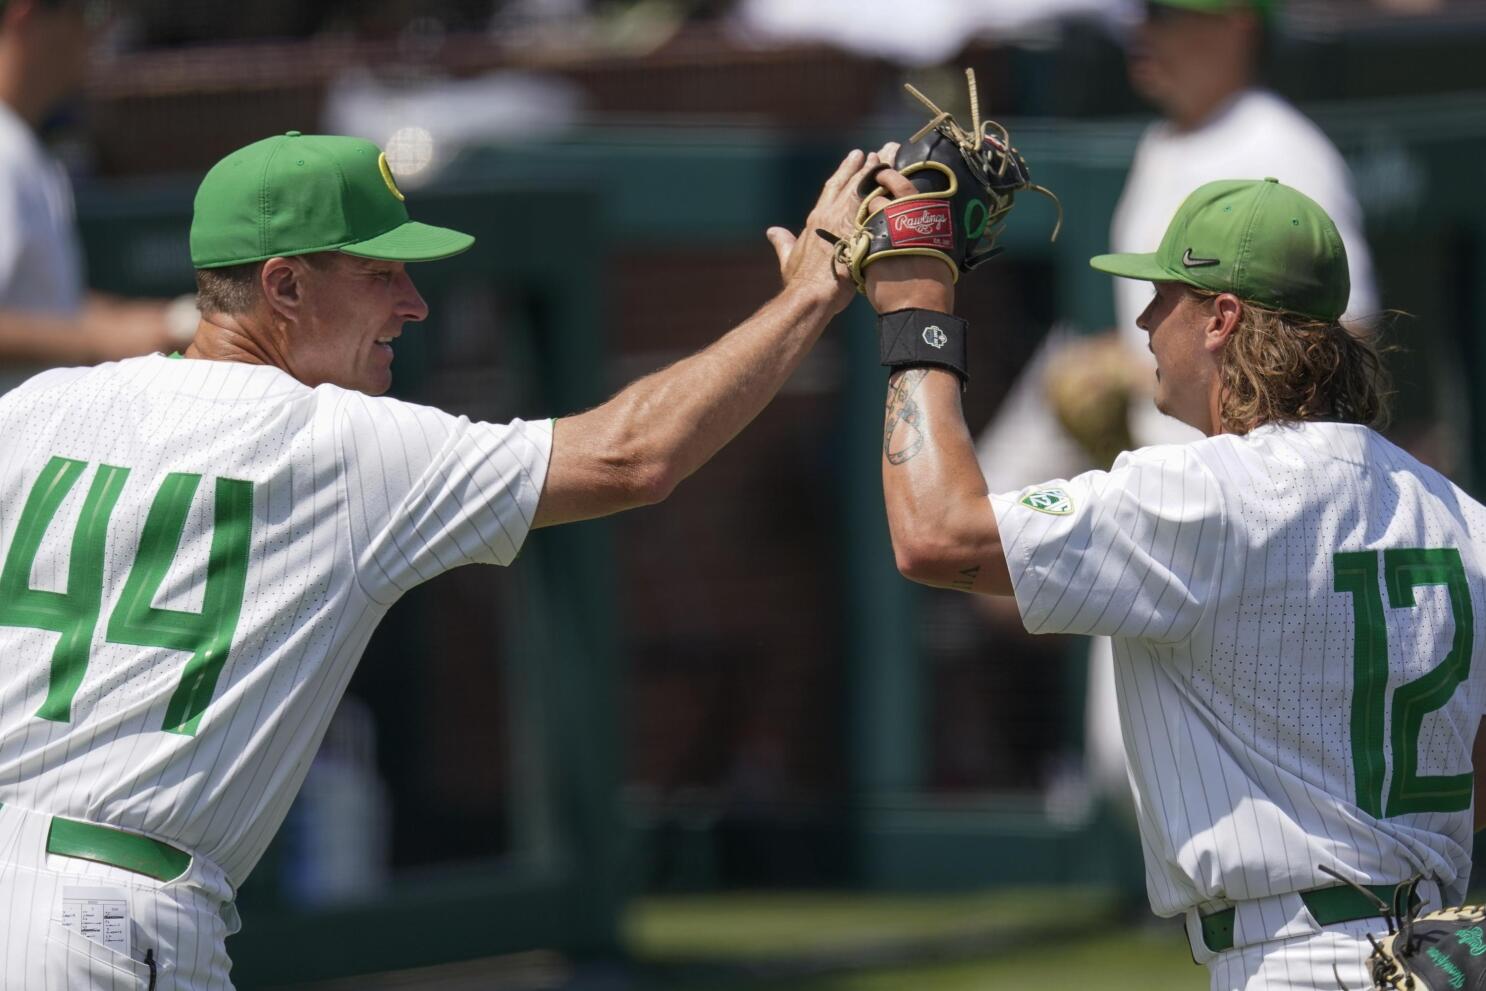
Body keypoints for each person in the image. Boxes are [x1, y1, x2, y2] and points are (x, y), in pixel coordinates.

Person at [0, 130, 899, 988]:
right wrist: (810, 293)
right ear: (283, 286)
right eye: (381, 273)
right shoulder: (335, 443)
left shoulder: (36, 409)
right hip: (104, 920)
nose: (414, 303)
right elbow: (633, 455)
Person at [871, 173, 1485, 989]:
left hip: (1291, 960)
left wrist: (918, 318)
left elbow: (935, 533)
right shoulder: (1462, 515)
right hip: (1439, 960)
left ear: (1221, 320)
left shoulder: (1201, 493)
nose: (1144, 320)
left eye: (1165, 295)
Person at [973, 0, 1380, 811]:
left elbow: (1346, 331)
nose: (1144, 32)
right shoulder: (1163, 142)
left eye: (1169, 14)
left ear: (1237, 24)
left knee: (1187, 788)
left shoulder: (1286, 148)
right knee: (1135, 774)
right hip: (1176, 503)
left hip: (1241, 518)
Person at [0, 0, 186, 393]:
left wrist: (149, 321)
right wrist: (99, 340)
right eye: (87, 13)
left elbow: (41, 301)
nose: (97, 33)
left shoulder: (23, 144)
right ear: (27, 14)